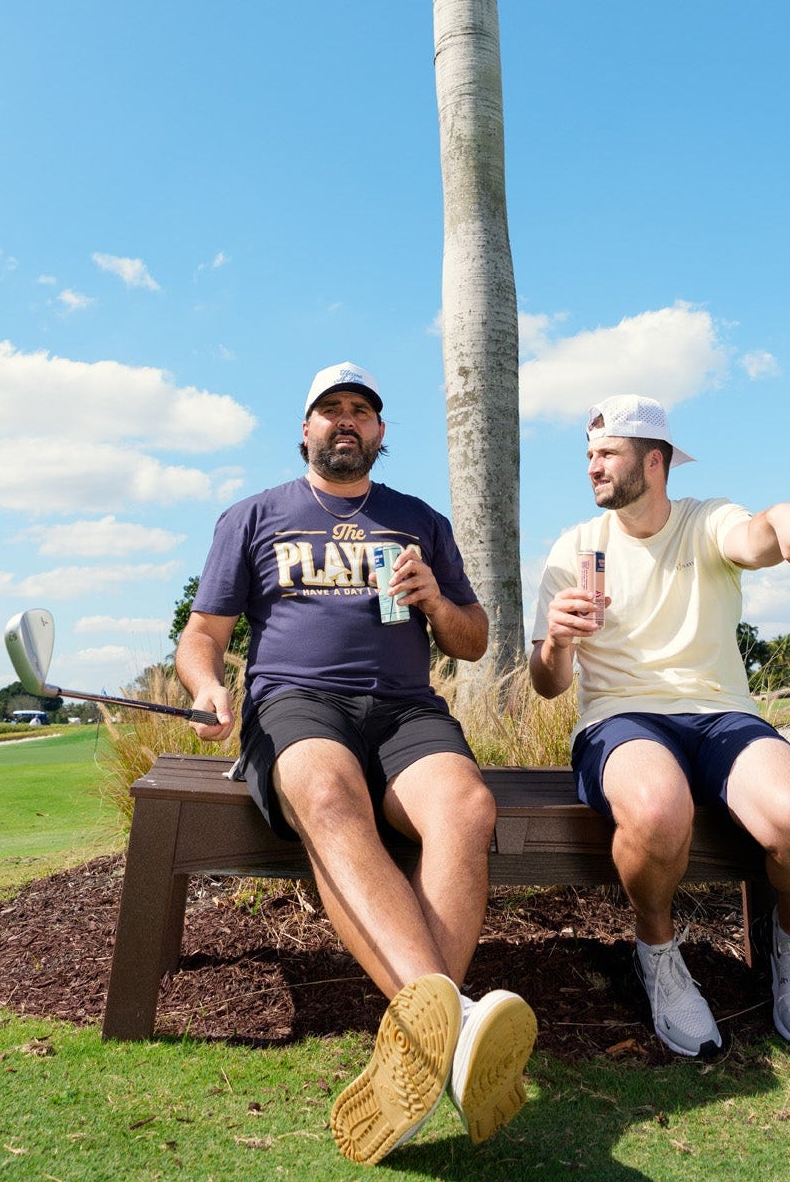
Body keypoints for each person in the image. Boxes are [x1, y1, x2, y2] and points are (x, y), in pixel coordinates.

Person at [176, 362, 535, 1165]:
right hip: (297, 707)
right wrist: (205, 687)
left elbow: (473, 641)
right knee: (330, 800)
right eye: (329, 410)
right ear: (304, 430)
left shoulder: (419, 521)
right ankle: (461, 1020)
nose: (346, 420)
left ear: (380, 434)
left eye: (362, 411)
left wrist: (436, 601)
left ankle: (423, 1043)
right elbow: (203, 635)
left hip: (406, 711)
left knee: (467, 810)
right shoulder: (254, 516)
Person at [529, 393, 790, 1060]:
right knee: (659, 809)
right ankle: (659, 954)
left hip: (721, 715)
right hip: (620, 718)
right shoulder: (574, 547)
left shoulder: (706, 522)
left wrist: (783, 517)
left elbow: (753, 536)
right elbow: (547, 684)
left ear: (657, 461)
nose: (592, 467)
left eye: (608, 453)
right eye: (589, 454)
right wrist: (556, 643)